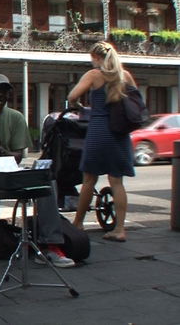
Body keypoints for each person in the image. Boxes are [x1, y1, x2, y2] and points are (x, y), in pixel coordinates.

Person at [0, 73, 75, 273]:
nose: (1, 94)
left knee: (47, 182)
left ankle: (50, 246)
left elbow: (17, 157)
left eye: (5, 91)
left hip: (10, 169)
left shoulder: (16, 117)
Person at [68, 42, 135, 242]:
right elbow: (134, 100)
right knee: (116, 181)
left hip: (98, 129)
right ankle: (120, 229)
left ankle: (78, 223)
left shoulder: (93, 75)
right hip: (120, 133)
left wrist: (78, 106)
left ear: (96, 57)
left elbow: (72, 97)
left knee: (89, 179)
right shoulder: (125, 76)